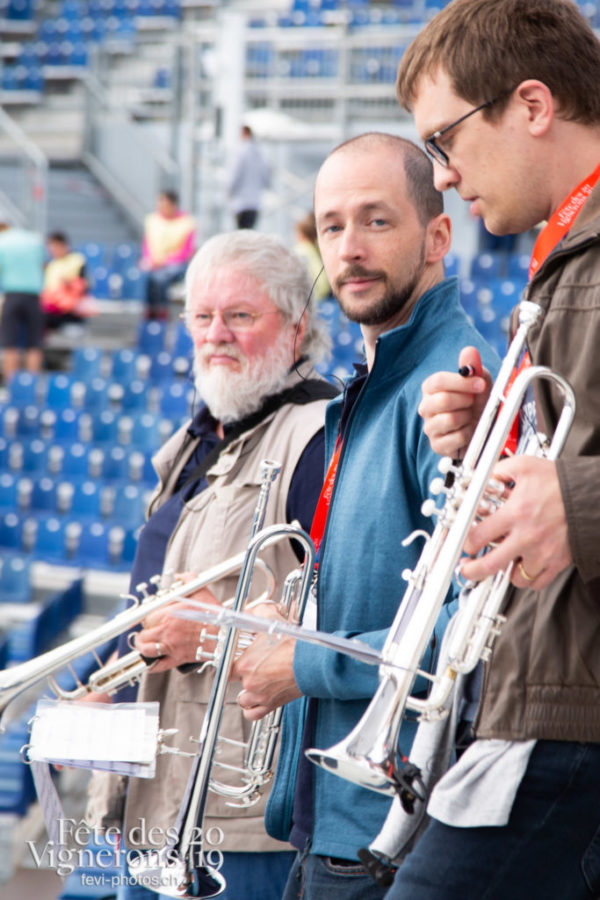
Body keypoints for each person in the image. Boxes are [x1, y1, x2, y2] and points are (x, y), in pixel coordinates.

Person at [231, 133, 499, 900]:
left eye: (377, 222)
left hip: (388, 839)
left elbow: (473, 628)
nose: (349, 248)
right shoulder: (376, 380)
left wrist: (304, 663)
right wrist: (292, 624)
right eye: (332, 225)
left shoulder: (450, 387)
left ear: (438, 236)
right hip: (333, 826)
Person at [386, 2, 600, 898]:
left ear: (534, 105)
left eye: (445, 140)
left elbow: (576, 494)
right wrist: (497, 438)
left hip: (566, 724)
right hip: (535, 700)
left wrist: (580, 503)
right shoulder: (561, 253)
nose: (440, 177)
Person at [86, 229, 336, 900]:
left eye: (240, 316)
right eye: (202, 316)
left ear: (296, 326)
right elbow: (152, 590)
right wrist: (101, 676)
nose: (215, 334)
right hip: (154, 790)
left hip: (240, 820)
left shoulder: (318, 438)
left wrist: (206, 636)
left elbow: (344, 623)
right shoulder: (198, 438)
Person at [140, 190, 196, 320]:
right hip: (154, 263)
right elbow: (146, 244)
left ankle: (161, 313)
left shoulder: (187, 222)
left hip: (175, 264)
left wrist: (164, 261)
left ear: (173, 205)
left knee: (160, 278)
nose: (160, 207)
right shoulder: (152, 220)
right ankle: (150, 312)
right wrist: (149, 260)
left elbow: (186, 251)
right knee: (147, 276)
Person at [0, 221, 45, 382]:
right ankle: (30, 386)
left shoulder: (3, 241)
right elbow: (42, 265)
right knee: (34, 344)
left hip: (12, 295)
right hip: (33, 296)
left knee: (9, 344)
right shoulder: (34, 240)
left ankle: (13, 386)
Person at [41, 232, 92, 331]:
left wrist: (69, 284)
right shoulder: (51, 264)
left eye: (55, 246)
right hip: (52, 308)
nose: (52, 250)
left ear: (63, 245)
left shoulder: (77, 260)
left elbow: (83, 286)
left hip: (70, 310)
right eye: (50, 247)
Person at [227, 125, 271, 229]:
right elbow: (266, 177)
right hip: (255, 202)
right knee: (250, 232)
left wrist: (229, 191)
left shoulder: (240, 152)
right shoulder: (260, 153)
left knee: (241, 233)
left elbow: (235, 174)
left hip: (241, 202)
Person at [293, 211, 331, 303]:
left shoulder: (302, 250)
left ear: (301, 234)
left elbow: (322, 283)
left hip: (313, 302)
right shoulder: (320, 249)